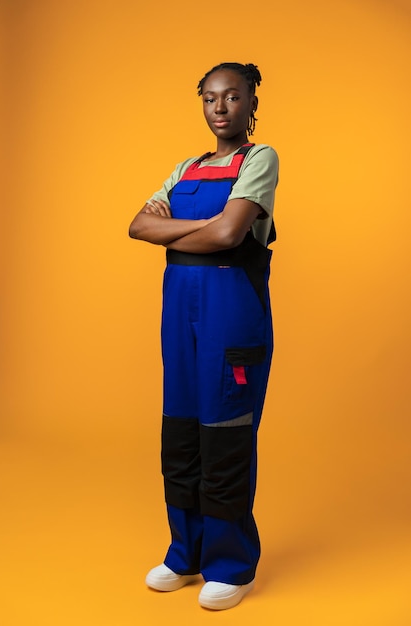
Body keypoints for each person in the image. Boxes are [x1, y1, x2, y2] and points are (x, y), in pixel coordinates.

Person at [129, 62, 279, 610]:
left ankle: (231, 565)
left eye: (232, 97)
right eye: (210, 98)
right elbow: (137, 225)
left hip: (231, 319)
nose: (220, 108)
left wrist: (180, 230)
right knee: (183, 437)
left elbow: (231, 232)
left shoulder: (258, 159)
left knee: (225, 437)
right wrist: (208, 229)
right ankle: (184, 553)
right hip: (180, 320)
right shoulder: (187, 167)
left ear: (250, 103)